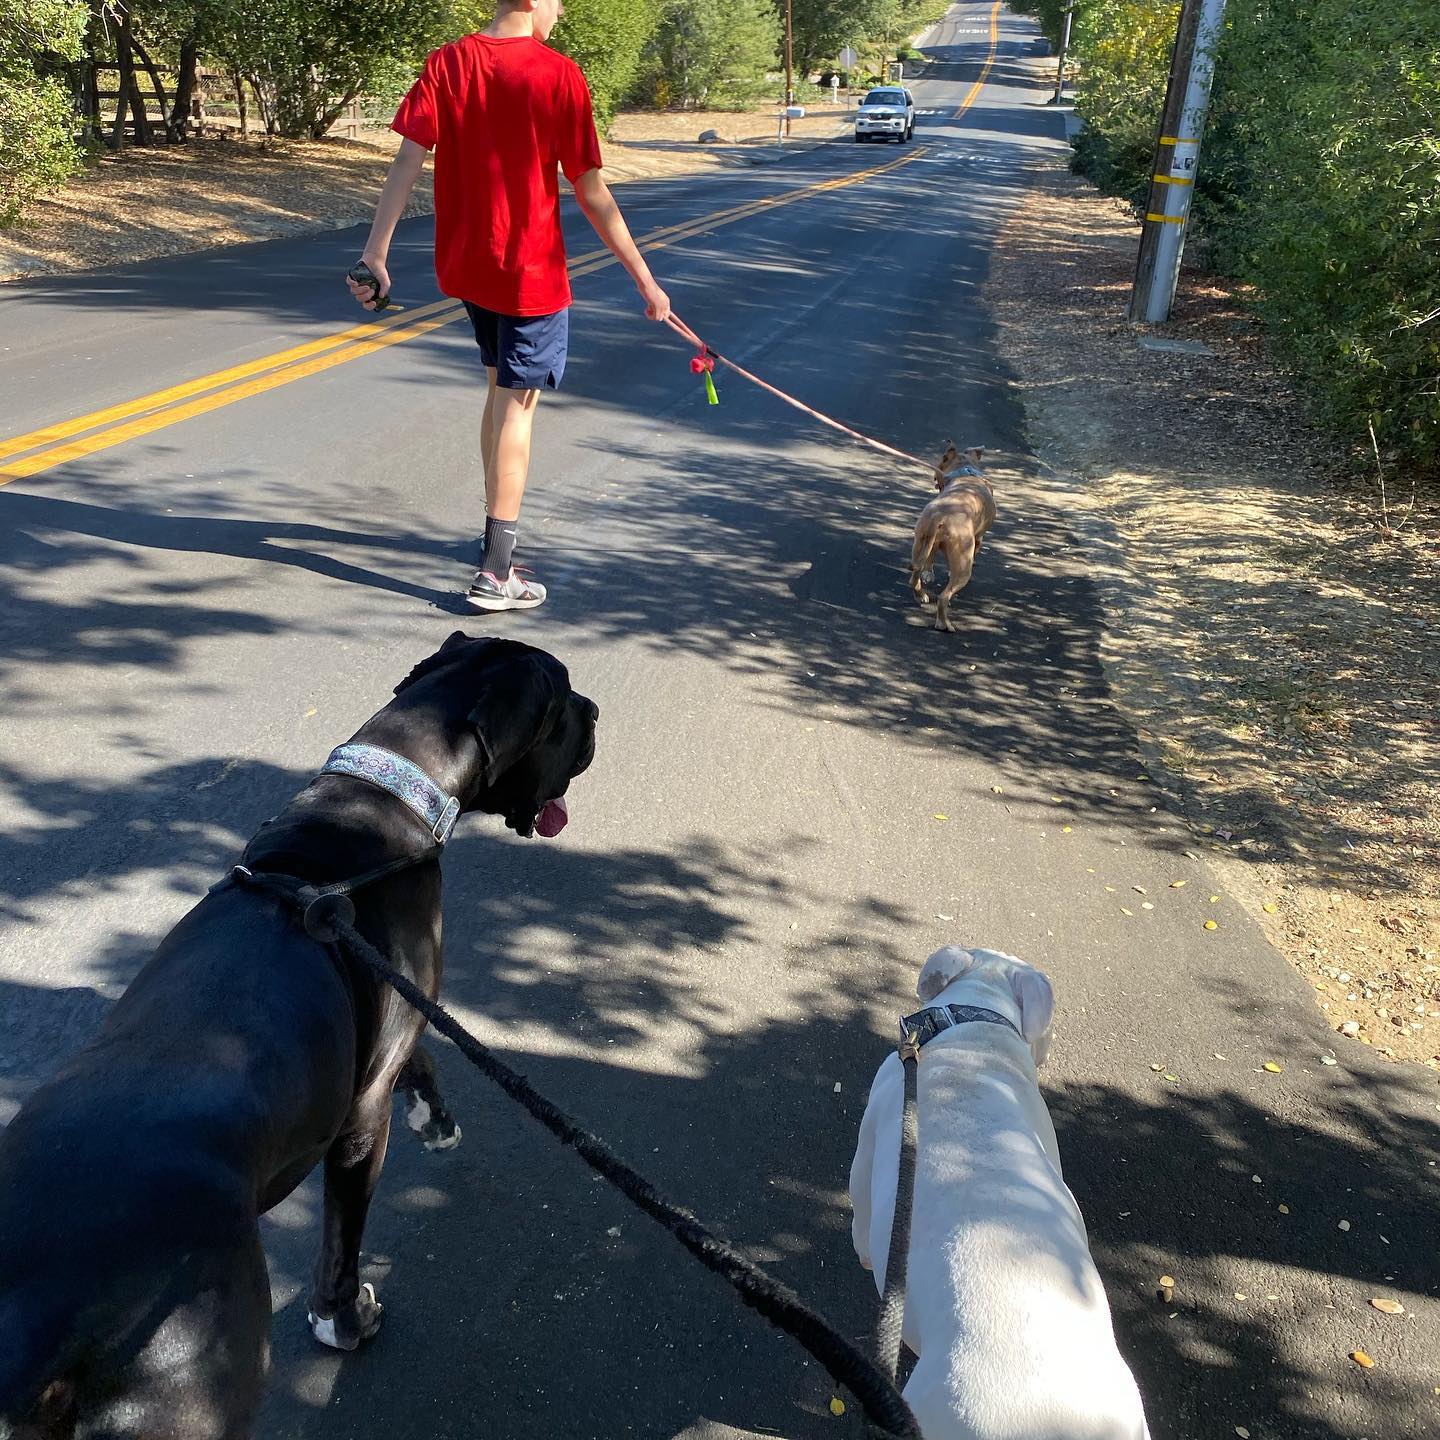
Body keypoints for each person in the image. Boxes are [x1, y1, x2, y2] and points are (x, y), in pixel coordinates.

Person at [347, 0, 671, 612]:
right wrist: (645, 278)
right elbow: (591, 189)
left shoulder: (448, 62)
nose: (563, 13)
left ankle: (494, 531)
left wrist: (376, 254)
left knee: (499, 392)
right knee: (519, 408)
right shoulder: (558, 75)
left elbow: (407, 161)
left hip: (471, 268)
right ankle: (498, 571)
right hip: (527, 275)